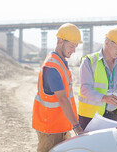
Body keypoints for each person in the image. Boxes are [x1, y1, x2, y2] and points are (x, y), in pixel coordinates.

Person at [32, 23, 84, 152]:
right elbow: (62, 99)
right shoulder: (52, 66)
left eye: (75, 47)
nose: (74, 50)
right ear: (61, 41)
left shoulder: (61, 62)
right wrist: (77, 126)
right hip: (50, 129)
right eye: (72, 46)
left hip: (60, 127)